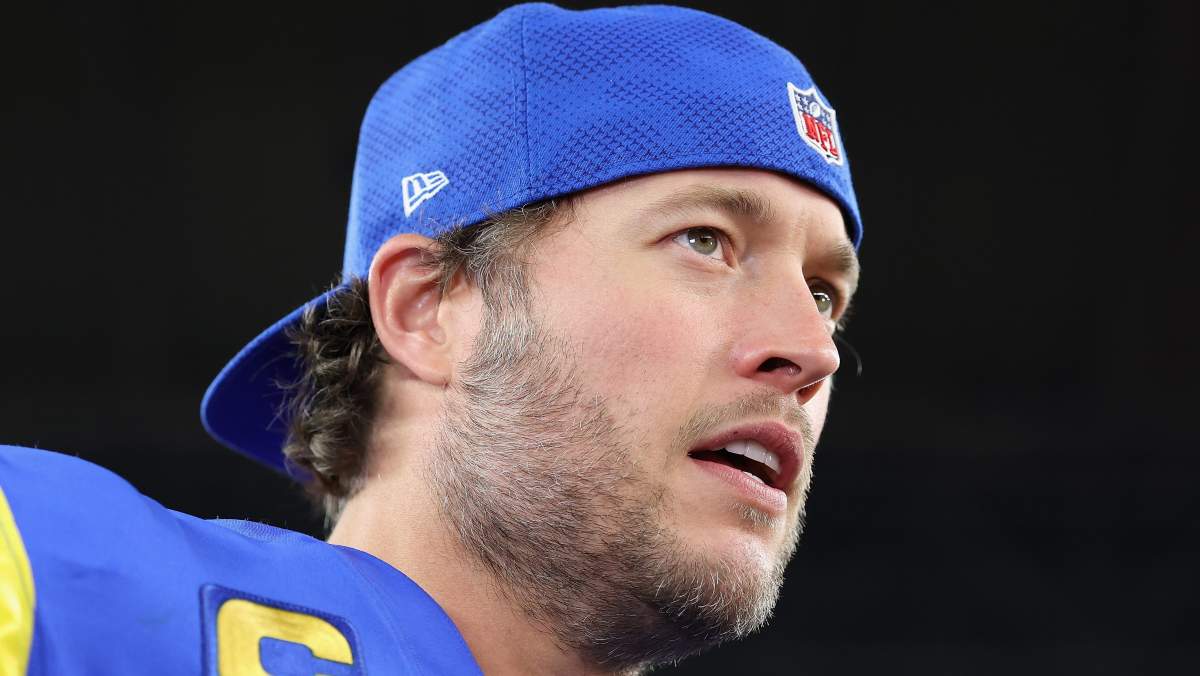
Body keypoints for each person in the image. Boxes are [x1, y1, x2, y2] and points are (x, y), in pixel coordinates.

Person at [0, 3, 862, 674]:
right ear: (429, 307)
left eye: (824, 294)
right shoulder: (67, 580)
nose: (814, 350)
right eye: (705, 241)